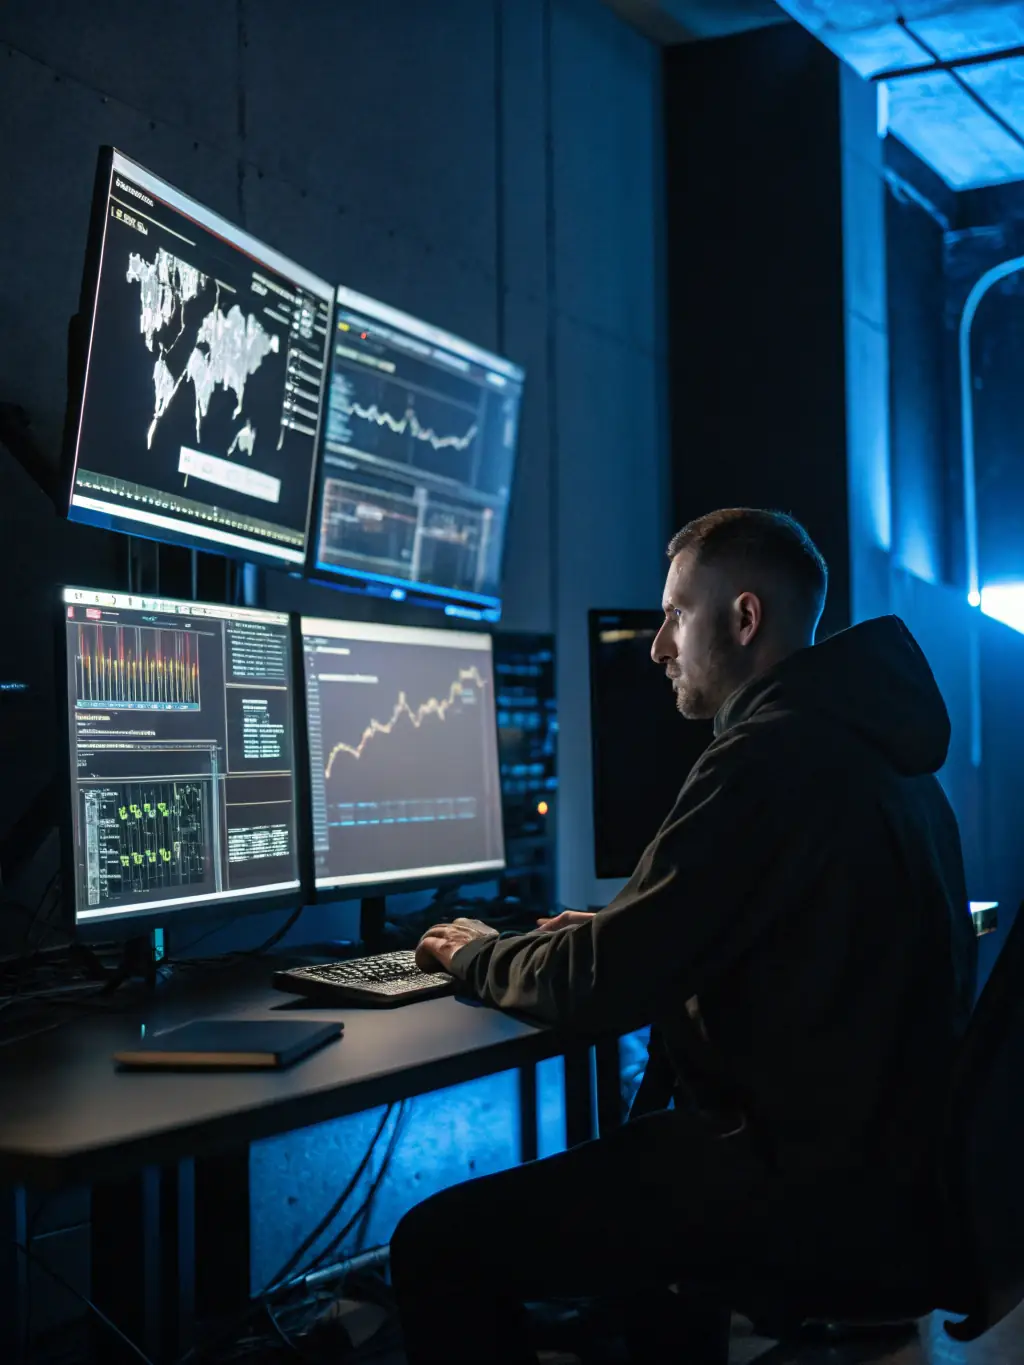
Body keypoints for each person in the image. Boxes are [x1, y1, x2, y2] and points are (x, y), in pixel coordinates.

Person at [389, 508, 978, 1365]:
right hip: (885, 1182)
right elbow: (776, 936)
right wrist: (627, 926)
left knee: (434, 1246)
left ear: (743, 618)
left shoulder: (765, 757)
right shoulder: (881, 748)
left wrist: (473, 951)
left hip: (796, 1182)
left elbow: (597, 983)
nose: (659, 646)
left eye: (675, 615)